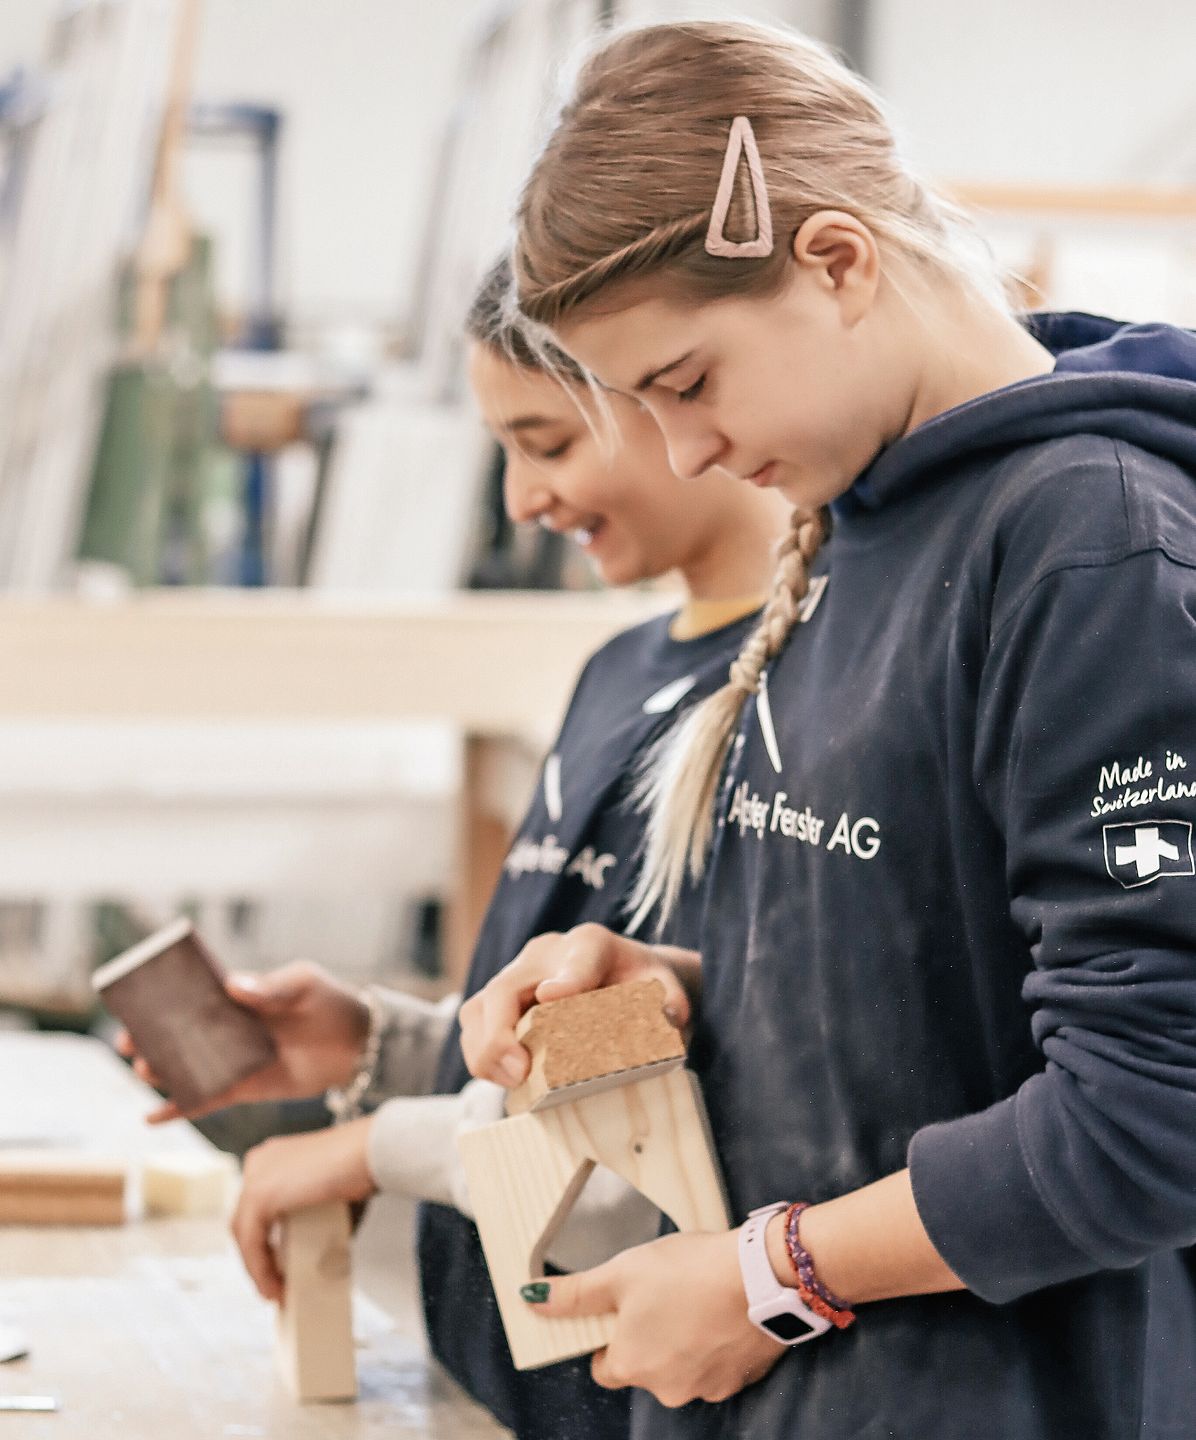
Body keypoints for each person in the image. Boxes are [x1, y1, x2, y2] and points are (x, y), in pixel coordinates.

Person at [458, 20, 1196, 1439]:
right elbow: (928, 979)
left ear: (840, 263)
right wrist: (663, 985)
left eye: (684, 383)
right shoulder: (863, 526)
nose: (684, 454)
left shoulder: (1088, 546)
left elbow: (1156, 1110)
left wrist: (771, 1277)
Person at [119, 256, 788, 1439]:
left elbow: (703, 1054)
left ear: (665, 391)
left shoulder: (803, 695)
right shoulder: (616, 673)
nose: (524, 500)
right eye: (506, 453)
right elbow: (553, 1033)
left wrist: (381, 1146)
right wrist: (381, 1041)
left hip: (668, 1379)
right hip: (509, 1373)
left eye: (548, 443)